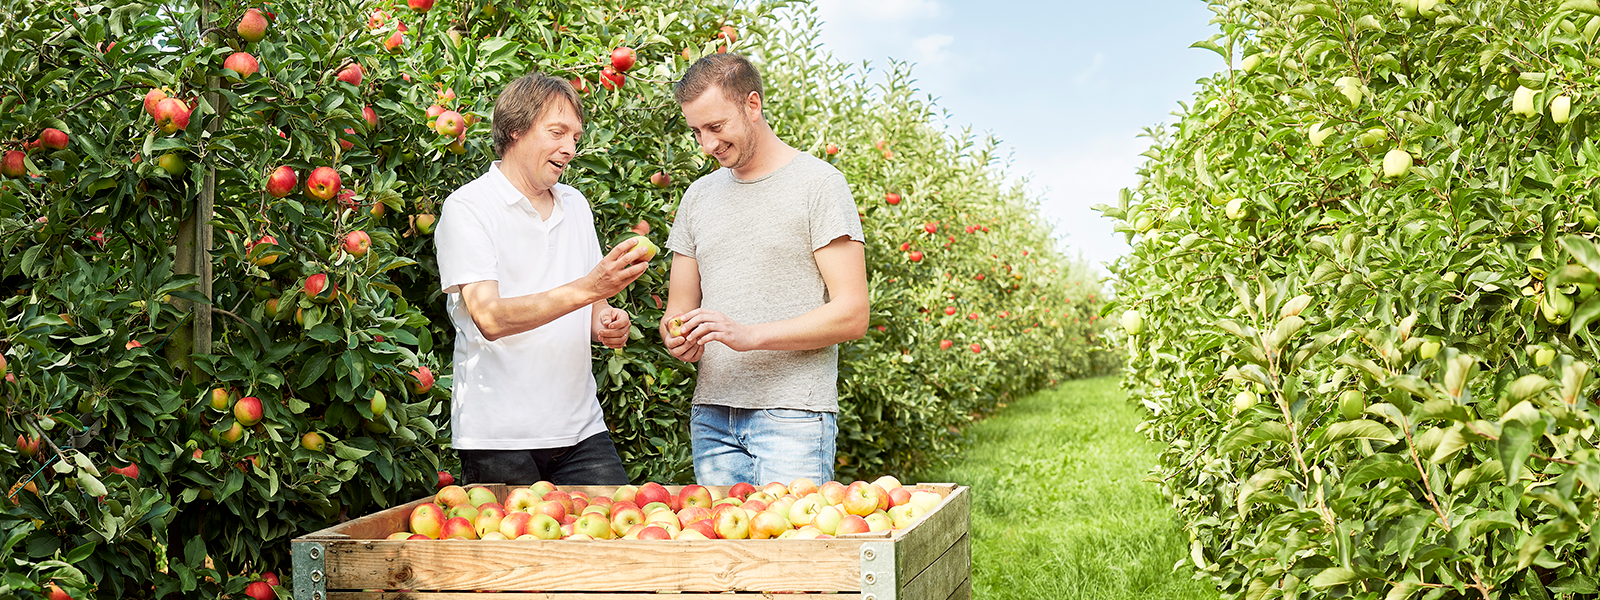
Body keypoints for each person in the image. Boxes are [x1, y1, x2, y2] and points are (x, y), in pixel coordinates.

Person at [660, 54, 869, 486]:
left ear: (752, 105)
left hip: (793, 415)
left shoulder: (819, 185)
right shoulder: (697, 197)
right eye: (696, 131)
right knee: (721, 555)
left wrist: (751, 336)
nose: (706, 145)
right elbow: (676, 311)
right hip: (712, 417)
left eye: (716, 128)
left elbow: (852, 313)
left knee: (796, 553)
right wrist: (677, 338)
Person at [435, 73, 651, 486]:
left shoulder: (576, 205)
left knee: (620, 544)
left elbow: (592, 308)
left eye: (575, 136)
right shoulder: (469, 208)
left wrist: (608, 323)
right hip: (499, 439)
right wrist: (591, 288)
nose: (569, 148)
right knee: (514, 552)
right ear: (516, 128)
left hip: (582, 431)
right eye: (557, 132)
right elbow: (490, 318)